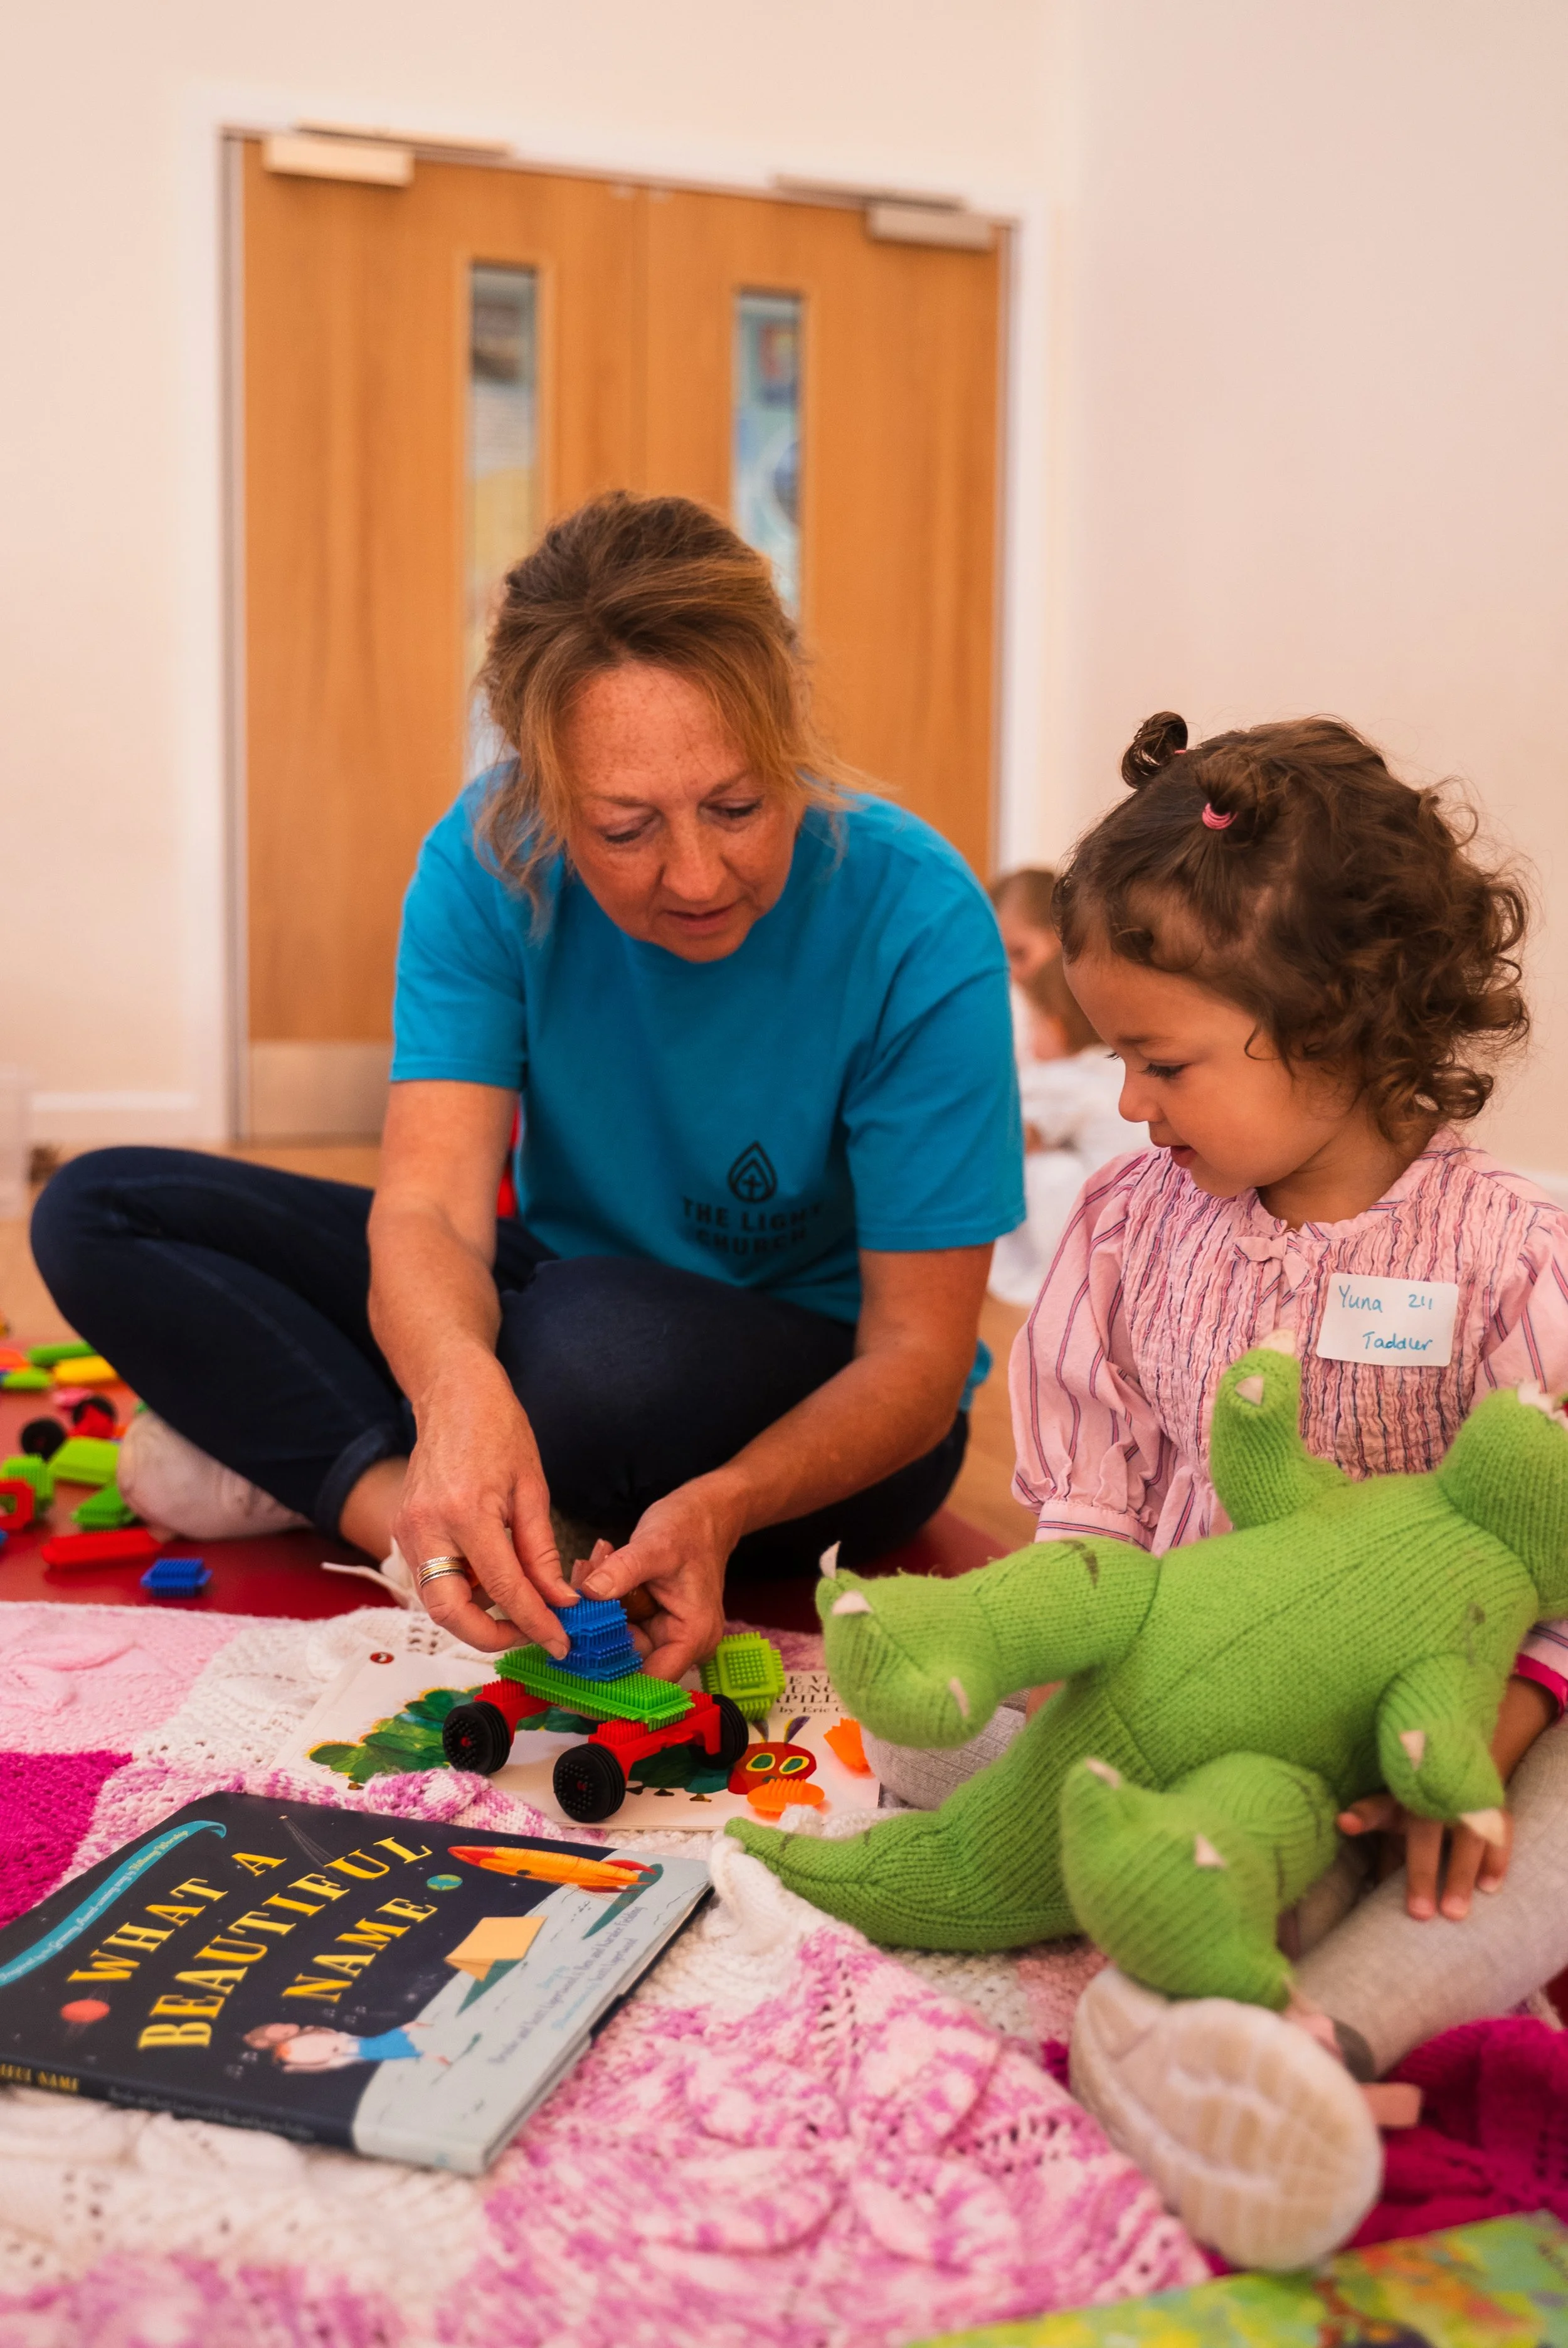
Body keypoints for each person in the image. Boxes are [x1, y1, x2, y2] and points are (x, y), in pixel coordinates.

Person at [751, 710, 1568, 2260]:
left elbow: (1556, 1555)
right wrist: (1028, 1644)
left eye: (1163, 1060)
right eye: (1118, 1056)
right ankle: (1187, 1920)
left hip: (1408, 1751)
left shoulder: (1514, 1258)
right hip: (1179, 1714)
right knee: (932, 1731)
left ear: (1335, 1022)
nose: (1127, 1104)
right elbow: (1093, 1529)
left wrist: (1493, 1729)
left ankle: (1316, 2032)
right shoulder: (1133, 1228)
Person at [31, 493, 1023, 1679]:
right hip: (555, 1303)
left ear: (789, 730)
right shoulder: (486, 858)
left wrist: (722, 1502)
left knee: (577, 1352)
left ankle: (324, 1447)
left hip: (815, 1411)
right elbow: (434, 1210)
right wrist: (457, 1396)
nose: (697, 873)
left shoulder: (918, 914)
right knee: (100, 1208)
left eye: (739, 805)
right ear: (544, 793)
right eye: (625, 827)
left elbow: (914, 1362)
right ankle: (411, 1508)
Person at [986, 886, 1130, 1304]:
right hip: (1136, 1208)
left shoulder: (1066, 1079)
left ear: (1058, 1028)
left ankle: (1047, 1272)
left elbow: (1012, 1139)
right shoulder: (1109, 1065)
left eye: (1036, 1028)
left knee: (1036, 1164)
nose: (1030, 1039)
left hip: (1106, 1218)